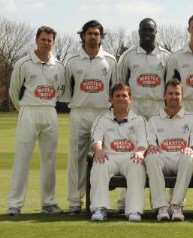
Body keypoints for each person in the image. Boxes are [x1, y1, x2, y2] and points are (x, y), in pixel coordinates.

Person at [7, 26, 65, 216]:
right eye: (43, 39)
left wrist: (48, 103)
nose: (46, 43)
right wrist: (24, 108)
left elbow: (61, 90)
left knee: (49, 160)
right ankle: (15, 204)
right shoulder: (23, 63)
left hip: (50, 112)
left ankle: (48, 203)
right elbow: (14, 92)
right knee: (22, 159)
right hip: (29, 111)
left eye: (50, 40)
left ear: (53, 42)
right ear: (36, 40)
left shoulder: (58, 65)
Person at [63, 20, 117, 214]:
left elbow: (116, 89)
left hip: (102, 113)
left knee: (102, 157)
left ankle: (97, 201)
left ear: (101, 36)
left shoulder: (110, 61)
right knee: (76, 158)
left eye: (96, 33)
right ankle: (74, 202)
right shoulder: (72, 61)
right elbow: (67, 91)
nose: (93, 37)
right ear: (83, 36)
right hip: (79, 112)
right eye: (89, 33)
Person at [89, 83, 147, 222]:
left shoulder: (139, 120)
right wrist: (98, 150)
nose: (121, 99)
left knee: (137, 165)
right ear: (111, 99)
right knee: (99, 163)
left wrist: (140, 152)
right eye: (117, 96)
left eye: (124, 96)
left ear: (130, 99)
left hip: (130, 157)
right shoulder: (102, 119)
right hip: (110, 157)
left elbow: (143, 142)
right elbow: (96, 139)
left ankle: (134, 210)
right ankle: (99, 208)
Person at [145, 80, 193, 221]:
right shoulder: (154, 120)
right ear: (164, 96)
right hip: (162, 160)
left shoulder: (192, 119)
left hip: (182, 160)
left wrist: (191, 149)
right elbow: (150, 144)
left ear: (182, 96)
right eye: (170, 93)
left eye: (177, 93)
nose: (174, 96)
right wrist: (152, 149)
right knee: (150, 156)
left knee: (190, 155)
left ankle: (176, 205)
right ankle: (162, 206)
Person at [117, 18, 170, 119]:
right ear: (139, 32)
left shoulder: (166, 57)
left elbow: (170, 85)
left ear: (156, 32)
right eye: (144, 30)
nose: (147, 33)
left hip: (159, 107)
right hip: (134, 108)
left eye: (150, 30)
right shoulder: (127, 56)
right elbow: (120, 83)